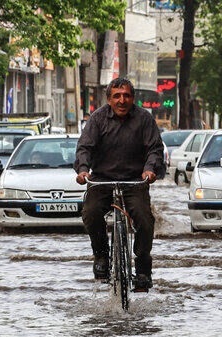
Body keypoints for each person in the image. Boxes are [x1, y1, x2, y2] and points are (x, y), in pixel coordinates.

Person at [74, 77, 165, 292]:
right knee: (90, 212)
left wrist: (150, 169)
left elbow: (155, 148)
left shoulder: (144, 119)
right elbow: (84, 147)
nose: (122, 100)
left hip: (135, 181)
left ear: (133, 98)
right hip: (101, 181)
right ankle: (101, 256)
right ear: (109, 99)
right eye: (117, 96)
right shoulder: (97, 119)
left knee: (144, 219)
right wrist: (83, 169)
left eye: (126, 96)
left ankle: (143, 268)